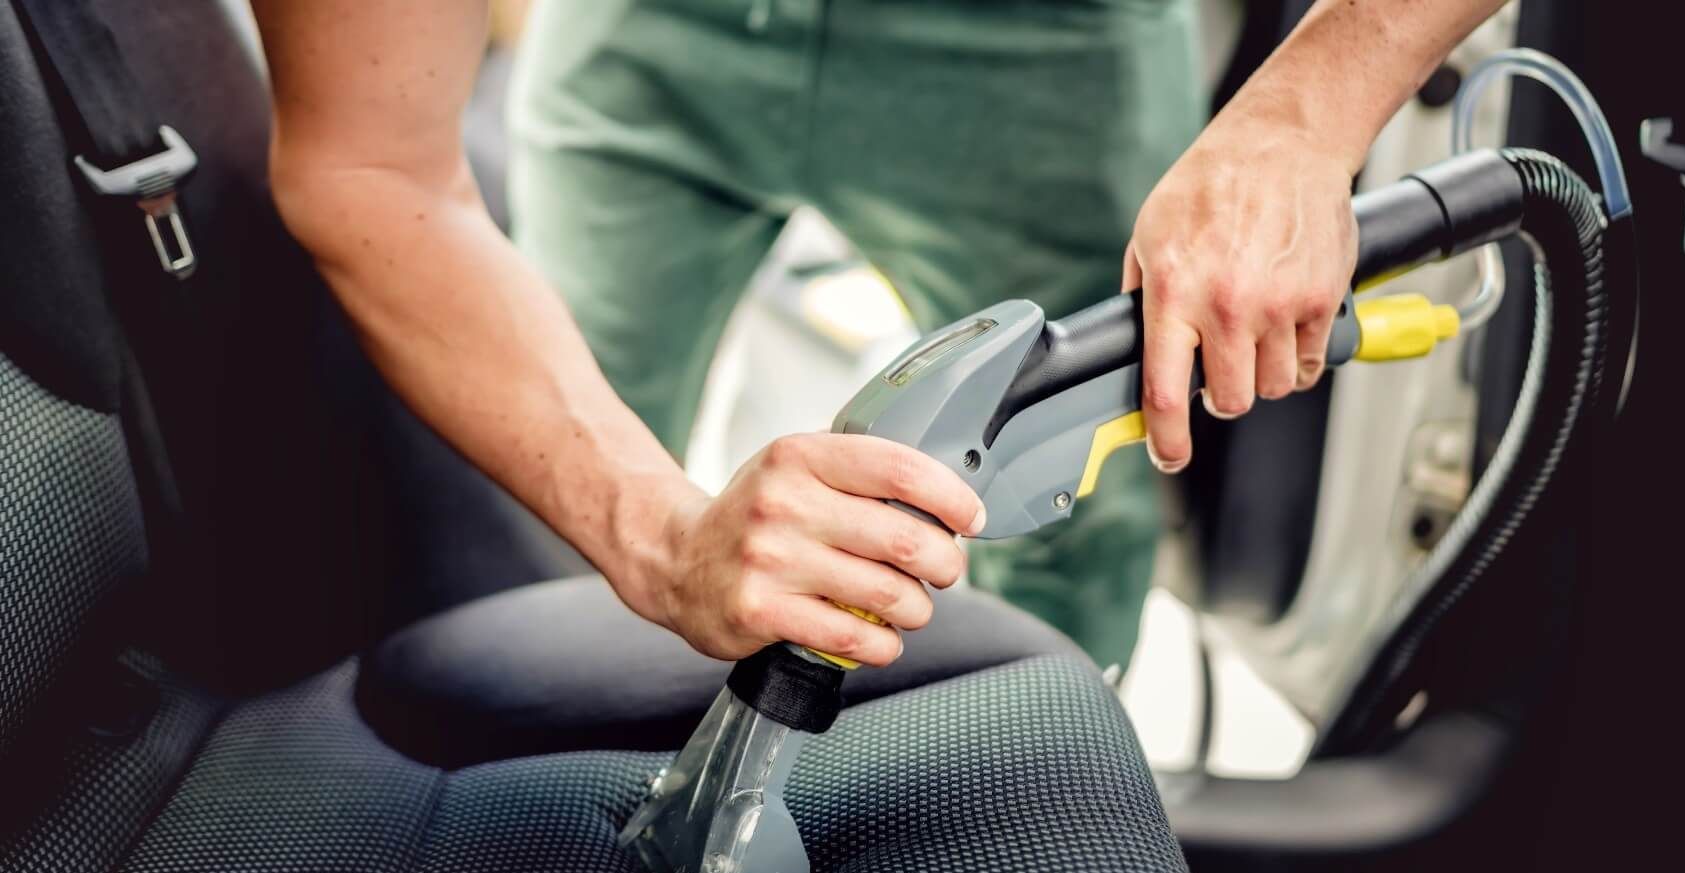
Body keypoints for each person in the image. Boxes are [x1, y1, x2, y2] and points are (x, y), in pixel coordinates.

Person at [251, 0, 1505, 674]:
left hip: (1045, 46)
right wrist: (660, 534)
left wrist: (1300, 118)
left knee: (1077, 495)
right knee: (537, 506)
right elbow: (370, 165)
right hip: (646, 36)